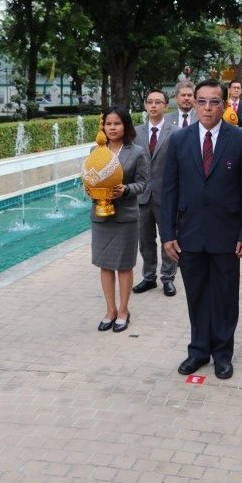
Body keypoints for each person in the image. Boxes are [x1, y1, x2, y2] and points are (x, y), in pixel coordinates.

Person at [161, 78, 242, 380]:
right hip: (189, 234)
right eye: (201, 101)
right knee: (197, 295)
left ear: (224, 104)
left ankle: (222, 354)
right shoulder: (179, 140)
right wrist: (167, 234)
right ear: (193, 103)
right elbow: (169, 190)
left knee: (226, 296)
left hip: (227, 235)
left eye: (214, 102)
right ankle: (199, 350)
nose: (207, 108)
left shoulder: (241, 140)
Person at [89, 106, 148, 333]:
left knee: (123, 266)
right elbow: (90, 176)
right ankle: (110, 310)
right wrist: (90, 189)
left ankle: (123, 310)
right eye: (108, 124)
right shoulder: (95, 150)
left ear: (125, 125)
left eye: (117, 123)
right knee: (105, 265)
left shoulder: (137, 152)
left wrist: (126, 190)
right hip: (100, 216)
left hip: (125, 217)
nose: (112, 128)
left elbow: (143, 183)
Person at [133, 89, 179, 297]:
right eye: (150, 102)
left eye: (158, 102)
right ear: (145, 105)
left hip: (167, 196)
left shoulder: (176, 132)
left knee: (169, 239)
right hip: (142, 196)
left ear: (166, 106)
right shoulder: (135, 133)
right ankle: (149, 277)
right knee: (145, 241)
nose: (153, 105)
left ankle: (168, 278)